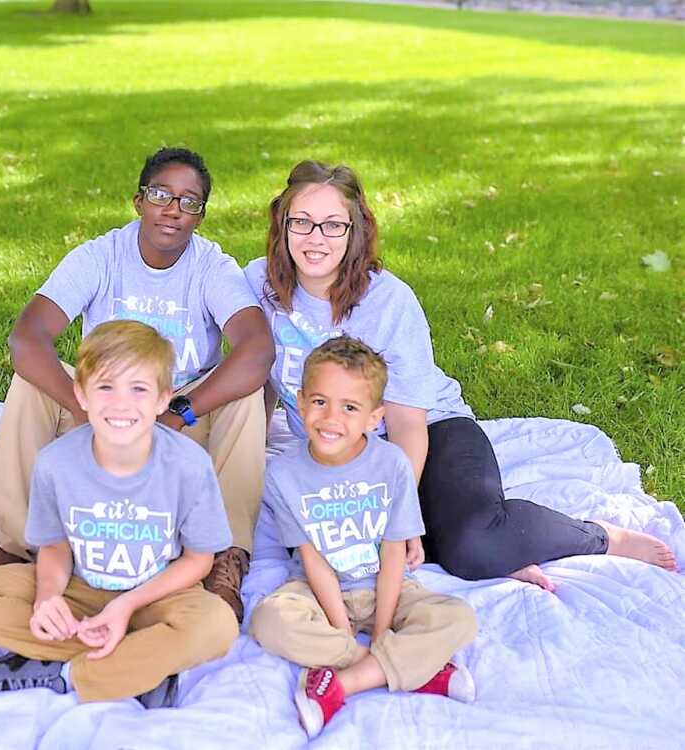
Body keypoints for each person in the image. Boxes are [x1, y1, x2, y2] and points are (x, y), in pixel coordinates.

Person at [245, 159, 676, 591]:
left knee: (471, 546)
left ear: (355, 230)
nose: (315, 238)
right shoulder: (259, 284)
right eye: (301, 222)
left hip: (429, 433)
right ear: (282, 223)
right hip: (338, 449)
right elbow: (255, 371)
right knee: (310, 542)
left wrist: (398, 512)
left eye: (333, 225)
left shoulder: (388, 301)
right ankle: (492, 548)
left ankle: (596, 537)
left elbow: (407, 421)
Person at [0, 147, 274, 621]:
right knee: (30, 383)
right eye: (161, 194)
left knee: (247, 393)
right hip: (99, 414)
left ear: (200, 217)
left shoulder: (211, 268)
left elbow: (256, 348)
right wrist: (84, 409)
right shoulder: (100, 257)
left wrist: (177, 412)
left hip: (176, 419)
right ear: (138, 200)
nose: (173, 210)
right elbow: (26, 338)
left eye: (189, 201)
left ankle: (224, 558)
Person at [0, 320, 240, 705]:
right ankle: (138, 666)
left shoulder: (189, 465)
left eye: (139, 389)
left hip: (153, 597)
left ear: (164, 398)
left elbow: (199, 559)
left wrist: (128, 605)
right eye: (106, 387)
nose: (121, 404)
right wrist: (48, 597)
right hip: (81, 590)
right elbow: (55, 546)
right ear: (81, 393)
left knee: (216, 624)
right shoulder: (56, 463)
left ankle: (62, 673)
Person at [250, 336, 477, 739]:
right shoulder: (283, 474)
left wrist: (382, 629)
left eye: (350, 407)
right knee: (269, 621)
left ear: (375, 418)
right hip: (318, 591)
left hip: (387, 586)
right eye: (319, 402)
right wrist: (343, 634)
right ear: (300, 404)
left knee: (458, 618)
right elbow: (312, 560)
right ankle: (412, 671)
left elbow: (393, 554)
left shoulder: (391, 464)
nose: (331, 418)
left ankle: (344, 683)